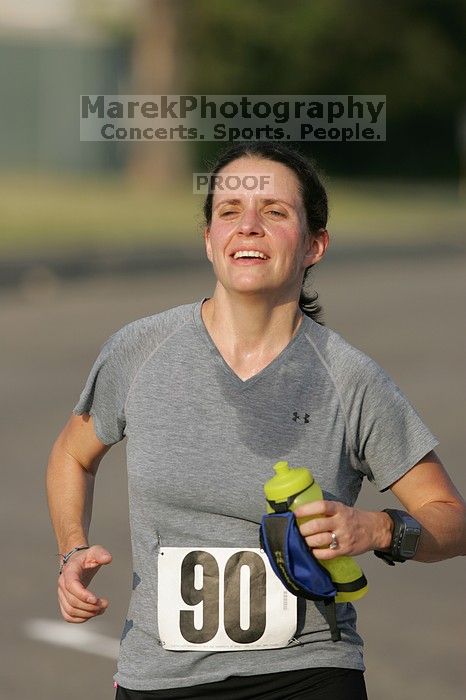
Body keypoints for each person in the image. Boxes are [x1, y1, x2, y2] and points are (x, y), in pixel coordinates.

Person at [46, 142, 466, 700]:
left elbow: (451, 519)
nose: (248, 227)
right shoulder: (140, 351)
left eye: (274, 212)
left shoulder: (350, 377)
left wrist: (380, 529)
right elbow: (72, 456)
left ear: (315, 244)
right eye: (229, 213)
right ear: (208, 240)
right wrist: (73, 549)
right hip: (160, 677)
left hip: (309, 671)